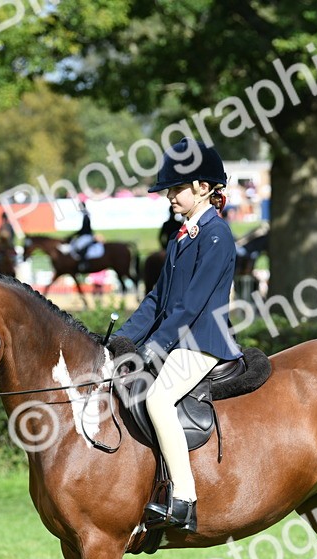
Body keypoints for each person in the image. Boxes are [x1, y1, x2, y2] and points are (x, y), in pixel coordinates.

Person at [115, 138, 242, 534]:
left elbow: (190, 307)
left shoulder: (216, 236)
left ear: (203, 188)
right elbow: (156, 300)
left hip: (204, 342)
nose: (170, 196)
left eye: (176, 188)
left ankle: (184, 498)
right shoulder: (181, 237)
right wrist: (120, 341)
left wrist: (155, 346)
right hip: (180, 339)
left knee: (157, 399)